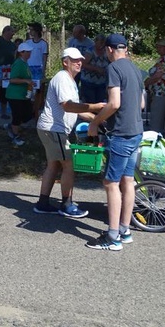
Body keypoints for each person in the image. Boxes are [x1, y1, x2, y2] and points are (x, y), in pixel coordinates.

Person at [86, 34, 144, 251]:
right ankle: (125, 230)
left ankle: (112, 237)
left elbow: (115, 103)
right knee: (127, 181)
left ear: (109, 50)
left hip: (120, 134)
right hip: (136, 131)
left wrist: (97, 121)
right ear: (125, 49)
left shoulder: (114, 69)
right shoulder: (135, 69)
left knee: (111, 183)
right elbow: (141, 103)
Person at [34, 48, 105, 217]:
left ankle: (43, 203)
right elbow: (67, 105)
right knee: (69, 164)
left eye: (80, 59)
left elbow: (76, 110)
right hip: (54, 129)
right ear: (65, 62)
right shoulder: (62, 78)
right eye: (74, 60)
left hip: (52, 129)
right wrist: (94, 107)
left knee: (54, 164)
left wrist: (97, 119)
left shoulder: (71, 80)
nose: (79, 62)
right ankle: (67, 205)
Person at [4, 42, 34, 147]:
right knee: (18, 115)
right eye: (27, 52)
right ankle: (15, 136)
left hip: (23, 94)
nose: (30, 53)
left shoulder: (24, 63)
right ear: (22, 53)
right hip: (15, 95)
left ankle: (12, 126)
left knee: (28, 115)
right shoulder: (18, 63)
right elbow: (12, 79)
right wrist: (26, 81)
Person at [143, 39, 165, 134]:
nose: (157, 49)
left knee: (156, 120)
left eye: (159, 47)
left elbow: (158, 75)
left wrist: (147, 82)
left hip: (160, 92)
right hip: (162, 91)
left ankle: (154, 138)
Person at [23, 22, 49, 120]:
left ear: (37, 31)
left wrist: (43, 72)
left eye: (32, 29)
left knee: (38, 92)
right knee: (28, 93)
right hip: (28, 69)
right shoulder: (27, 43)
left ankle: (36, 112)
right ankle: (28, 111)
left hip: (38, 70)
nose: (30, 31)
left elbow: (44, 58)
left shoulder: (43, 44)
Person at [80, 34, 109, 104]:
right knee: (90, 102)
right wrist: (96, 69)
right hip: (89, 81)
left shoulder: (106, 51)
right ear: (95, 42)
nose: (102, 44)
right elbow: (83, 64)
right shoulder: (90, 51)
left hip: (102, 82)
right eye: (101, 42)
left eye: (104, 42)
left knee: (100, 102)